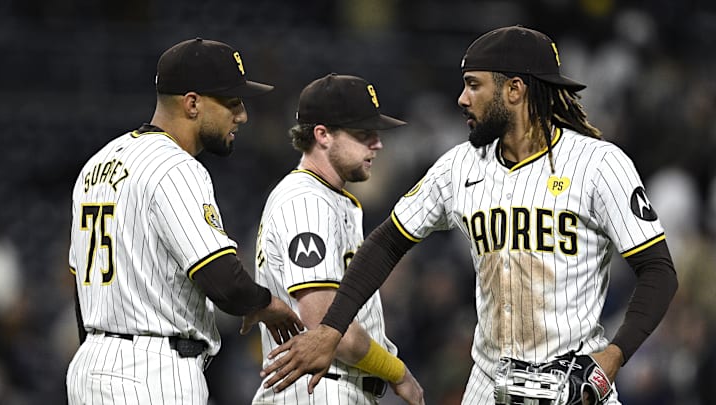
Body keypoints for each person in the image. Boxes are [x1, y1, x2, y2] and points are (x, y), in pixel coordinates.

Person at [259, 26, 679, 404]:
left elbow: (658, 270)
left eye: (474, 85)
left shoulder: (598, 164)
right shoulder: (460, 165)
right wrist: (332, 329)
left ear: (514, 90)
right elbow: (387, 241)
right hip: (488, 385)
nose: (462, 98)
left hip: (575, 383)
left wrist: (614, 356)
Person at [66, 37, 304, 405]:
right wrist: (267, 304)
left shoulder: (96, 165)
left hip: (91, 366)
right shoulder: (176, 167)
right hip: (152, 371)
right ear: (192, 103)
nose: (242, 115)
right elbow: (224, 281)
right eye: (231, 102)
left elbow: (79, 286)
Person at [252, 73, 424, 405]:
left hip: (331, 386)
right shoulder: (306, 202)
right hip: (320, 386)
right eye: (363, 134)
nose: (377, 143)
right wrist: (397, 371)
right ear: (323, 134)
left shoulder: (326, 199)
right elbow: (325, 324)